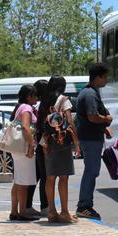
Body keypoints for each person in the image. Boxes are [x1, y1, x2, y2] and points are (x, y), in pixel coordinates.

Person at [38, 75, 80, 224]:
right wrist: (76, 142)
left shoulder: (43, 101)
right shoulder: (63, 100)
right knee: (63, 177)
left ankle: (51, 212)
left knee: (50, 178)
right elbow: (69, 121)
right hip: (62, 142)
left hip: (47, 142)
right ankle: (64, 212)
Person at [75, 63, 112, 220]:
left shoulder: (89, 92)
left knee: (92, 171)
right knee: (91, 171)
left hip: (91, 137)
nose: (106, 80)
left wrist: (104, 128)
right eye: (104, 77)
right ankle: (84, 206)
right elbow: (92, 116)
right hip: (90, 139)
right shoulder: (90, 94)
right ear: (98, 77)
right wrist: (107, 119)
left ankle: (85, 204)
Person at [9, 85, 39, 221]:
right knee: (24, 182)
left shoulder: (20, 107)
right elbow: (26, 127)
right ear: (29, 96)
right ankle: (22, 212)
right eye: (34, 95)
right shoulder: (27, 108)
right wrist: (31, 146)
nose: (37, 98)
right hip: (24, 148)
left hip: (18, 149)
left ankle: (14, 211)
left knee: (18, 180)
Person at [25, 79, 49, 217]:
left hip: (37, 144)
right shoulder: (42, 106)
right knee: (43, 176)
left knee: (36, 176)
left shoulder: (38, 106)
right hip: (40, 145)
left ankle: (28, 205)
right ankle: (44, 206)